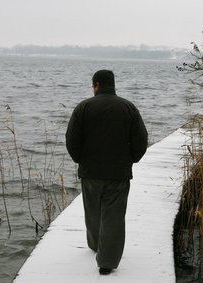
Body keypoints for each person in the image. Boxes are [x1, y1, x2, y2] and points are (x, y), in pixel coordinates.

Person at [65, 69, 148, 275]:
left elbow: (72, 140)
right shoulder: (128, 107)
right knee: (113, 215)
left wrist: (80, 159)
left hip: (90, 171)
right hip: (118, 173)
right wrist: (131, 159)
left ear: (96, 85)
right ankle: (107, 262)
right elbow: (141, 140)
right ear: (112, 84)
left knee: (93, 212)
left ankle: (95, 245)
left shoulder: (83, 107)